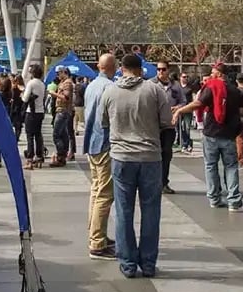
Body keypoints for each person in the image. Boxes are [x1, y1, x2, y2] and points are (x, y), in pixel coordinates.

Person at [101, 54, 171, 279]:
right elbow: (166, 121)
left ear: (121, 69)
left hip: (122, 157)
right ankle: (148, 263)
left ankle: (128, 263)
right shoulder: (155, 91)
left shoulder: (110, 91)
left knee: (123, 211)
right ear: (141, 70)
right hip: (150, 157)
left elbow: (103, 122)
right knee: (151, 211)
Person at [173, 61, 243, 211]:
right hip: (228, 134)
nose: (211, 76)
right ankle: (234, 201)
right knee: (231, 167)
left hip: (211, 132)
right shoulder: (235, 90)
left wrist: (180, 110)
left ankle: (214, 198)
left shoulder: (212, 87)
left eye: (212, 73)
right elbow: (242, 110)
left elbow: (198, 103)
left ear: (219, 74)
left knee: (211, 166)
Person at [82, 54, 117, 260]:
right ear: (114, 67)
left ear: (98, 66)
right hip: (104, 143)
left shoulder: (92, 85)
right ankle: (97, 242)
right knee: (104, 194)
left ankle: (96, 234)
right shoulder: (110, 88)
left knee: (96, 191)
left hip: (92, 143)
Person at [152, 61, 180, 194]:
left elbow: (184, 101)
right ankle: (153, 183)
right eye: (158, 69)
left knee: (166, 154)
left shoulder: (175, 86)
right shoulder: (150, 84)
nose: (160, 72)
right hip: (153, 126)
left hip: (169, 125)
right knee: (154, 155)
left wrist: (178, 107)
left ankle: (164, 183)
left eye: (163, 69)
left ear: (168, 70)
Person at [22, 64, 48, 169]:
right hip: (40, 111)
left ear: (32, 73)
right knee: (38, 135)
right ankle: (39, 156)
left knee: (30, 136)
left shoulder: (31, 83)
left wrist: (22, 94)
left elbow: (25, 98)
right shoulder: (42, 84)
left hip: (31, 112)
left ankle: (30, 158)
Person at [51, 70, 76, 166]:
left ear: (64, 73)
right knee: (63, 134)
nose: (57, 75)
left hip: (63, 111)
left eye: (58, 73)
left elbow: (66, 98)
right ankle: (62, 156)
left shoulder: (67, 83)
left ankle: (61, 155)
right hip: (62, 110)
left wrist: (54, 94)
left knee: (56, 135)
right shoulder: (63, 82)